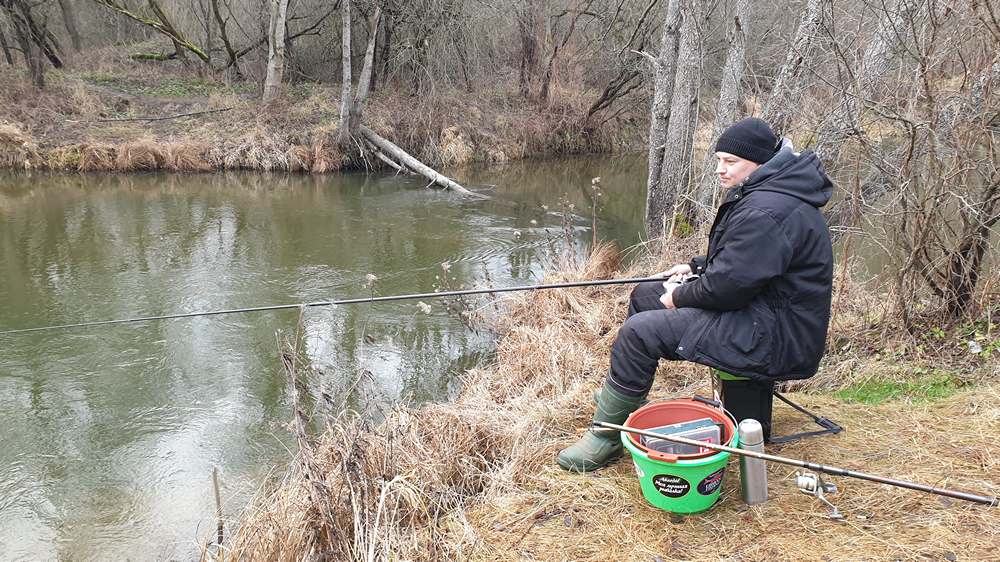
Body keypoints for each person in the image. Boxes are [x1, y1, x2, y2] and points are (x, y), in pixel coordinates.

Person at [557, 117, 834, 472]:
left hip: (773, 335)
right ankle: (624, 397)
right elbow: (749, 262)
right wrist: (695, 267)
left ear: (761, 161)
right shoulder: (774, 192)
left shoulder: (768, 208)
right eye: (718, 159)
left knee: (640, 333)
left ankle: (605, 437)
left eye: (730, 161)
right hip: (762, 313)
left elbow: (728, 288)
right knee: (646, 295)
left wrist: (679, 297)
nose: (720, 169)